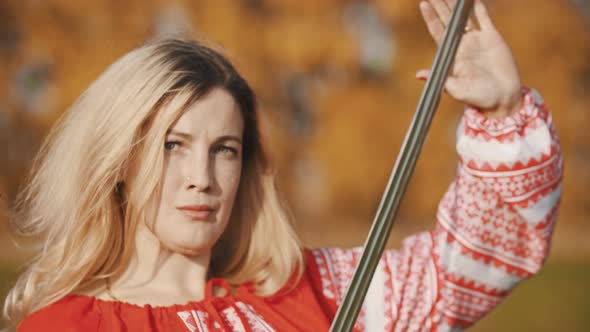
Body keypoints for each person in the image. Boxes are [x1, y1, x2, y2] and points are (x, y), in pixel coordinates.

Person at [3, 0, 562, 331]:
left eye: (225, 149)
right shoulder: (65, 327)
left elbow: (472, 267)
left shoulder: (311, 290)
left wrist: (501, 111)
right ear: (119, 161)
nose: (202, 176)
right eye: (173, 145)